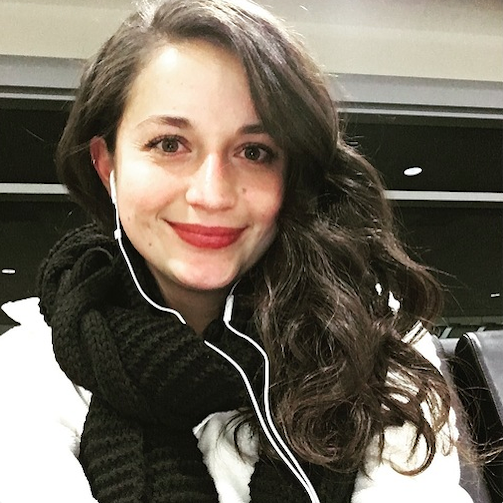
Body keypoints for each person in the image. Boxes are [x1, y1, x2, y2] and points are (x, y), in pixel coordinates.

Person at [0, 0, 473, 502]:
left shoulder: (373, 342)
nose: (212, 194)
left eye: (254, 152)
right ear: (107, 166)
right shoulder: (33, 368)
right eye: (169, 144)